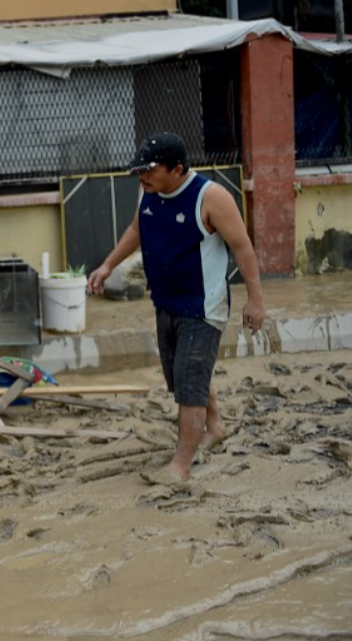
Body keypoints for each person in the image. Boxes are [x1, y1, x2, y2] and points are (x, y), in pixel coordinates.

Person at [87, 132, 265, 484]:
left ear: (177, 169)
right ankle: (215, 425)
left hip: (203, 307)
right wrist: (107, 265)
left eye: (149, 171)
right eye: (140, 171)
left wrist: (255, 301)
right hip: (165, 302)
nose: (142, 177)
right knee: (182, 377)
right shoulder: (149, 191)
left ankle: (181, 465)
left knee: (188, 385)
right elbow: (137, 229)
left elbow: (243, 247)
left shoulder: (210, 197)